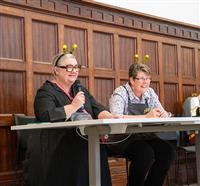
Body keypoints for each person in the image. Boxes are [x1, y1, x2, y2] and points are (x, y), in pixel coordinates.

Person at [24, 49, 118, 186]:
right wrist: (73, 106)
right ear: (56, 70)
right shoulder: (46, 91)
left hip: (85, 138)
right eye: (68, 67)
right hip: (57, 142)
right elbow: (45, 115)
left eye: (76, 67)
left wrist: (111, 116)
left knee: (97, 148)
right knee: (81, 147)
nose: (73, 70)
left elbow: (97, 108)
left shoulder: (79, 89)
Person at [109, 63, 175, 186]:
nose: (146, 82)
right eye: (142, 79)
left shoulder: (149, 92)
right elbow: (116, 117)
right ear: (132, 80)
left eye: (148, 78)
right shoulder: (120, 93)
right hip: (123, 138)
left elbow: (161, 111)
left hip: (145, 136)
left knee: (168, 151)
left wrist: (163, 114)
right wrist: (145, 117)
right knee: (145, 154)